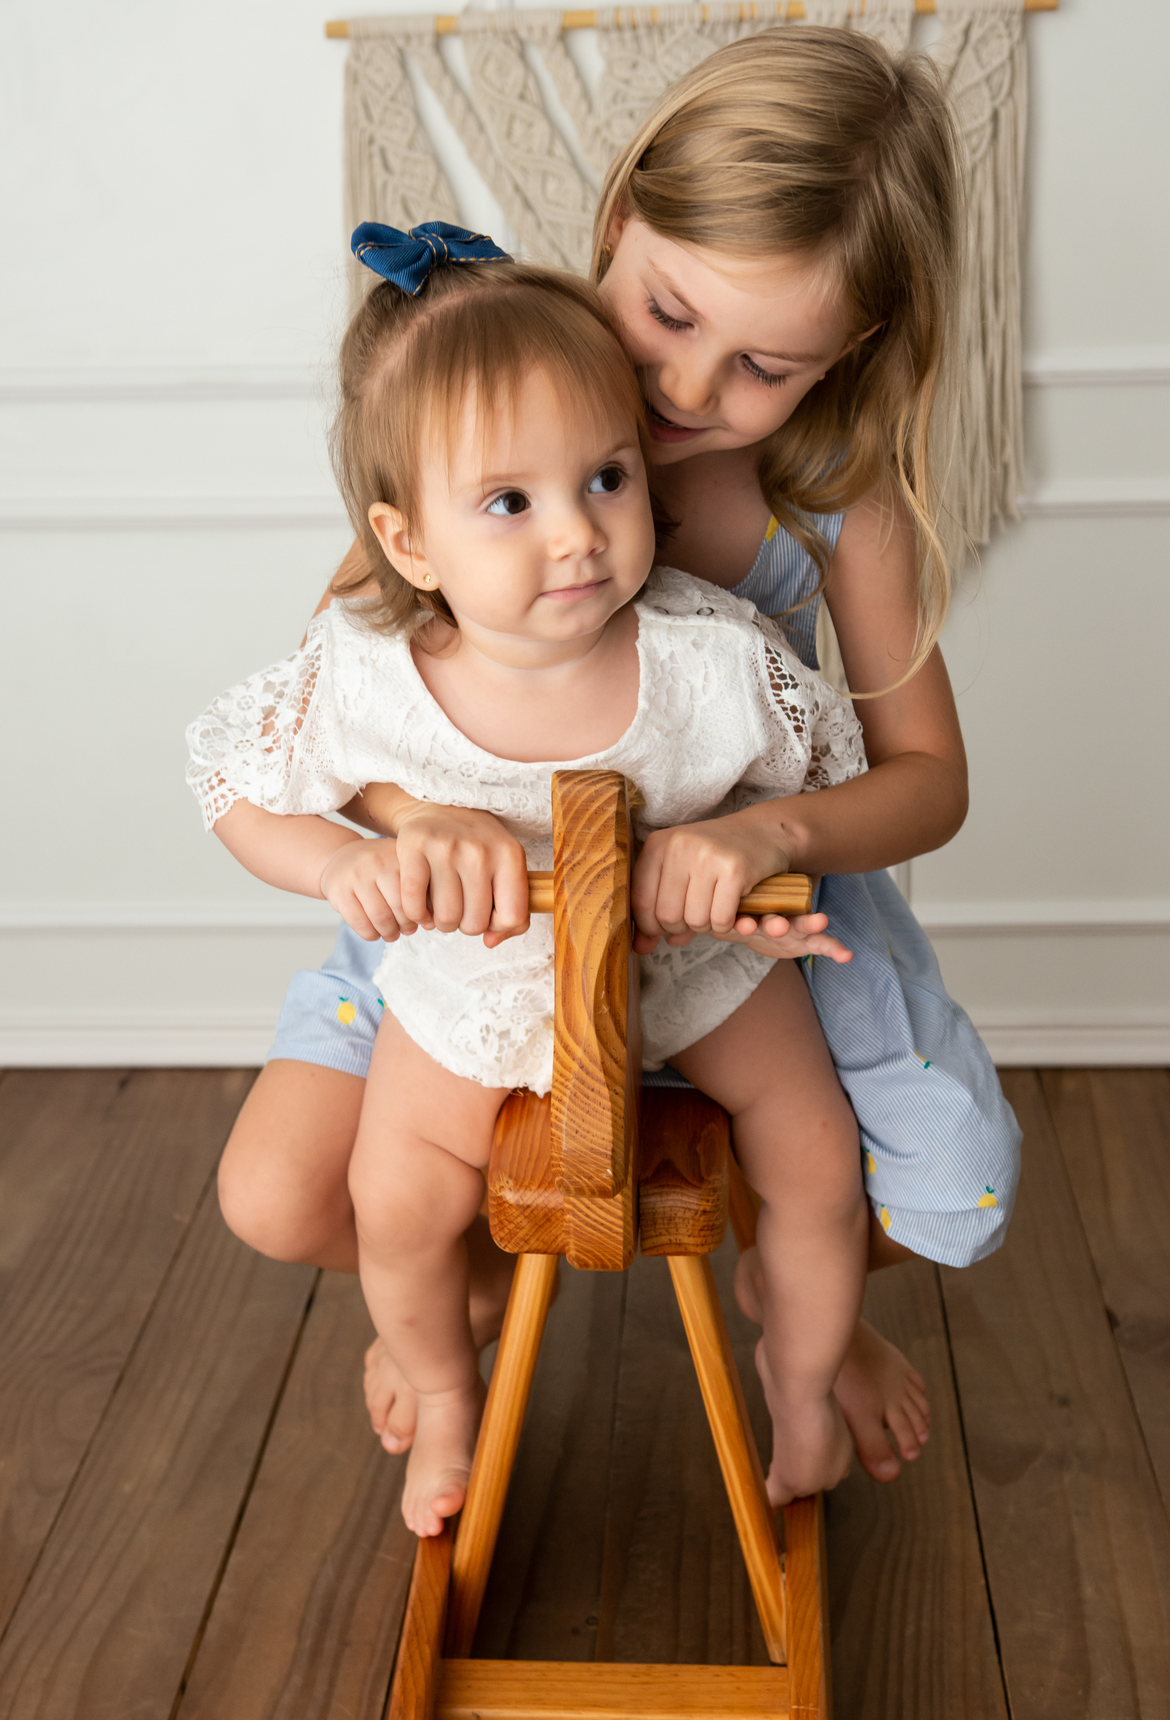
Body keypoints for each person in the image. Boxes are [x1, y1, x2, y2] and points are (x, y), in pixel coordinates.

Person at [215, 27, 1020, 1493]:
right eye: (664, 311)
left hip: (735, 898)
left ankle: (807, 1312)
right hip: (477, 902)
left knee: (947, 1179)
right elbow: (339, 705)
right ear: (616, 222)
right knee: (278, 1195)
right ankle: (437, 1301)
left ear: (848, 357)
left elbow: (926, 778)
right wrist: (423, 831)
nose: (686, 388)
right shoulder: (497, 387)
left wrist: (773, 844)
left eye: (763, 364)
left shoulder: (836, 508)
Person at [188, 238, 877, 1534]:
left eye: (607, 478)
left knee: (816, 1156)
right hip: (474, 991)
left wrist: (758, 847)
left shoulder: (708, 660)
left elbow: (838, 776)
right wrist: (349, 859)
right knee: (395, 1201)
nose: (576, 534)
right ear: (410, 541)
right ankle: (444, 1389)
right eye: (509, 503)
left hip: (691, 971)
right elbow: (230, 778)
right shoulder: (372, 674)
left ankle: (804, 1378)